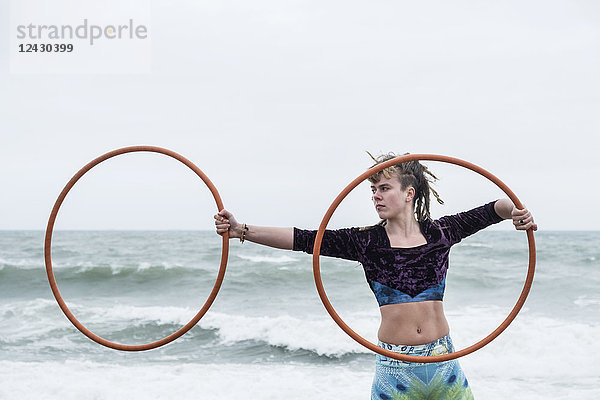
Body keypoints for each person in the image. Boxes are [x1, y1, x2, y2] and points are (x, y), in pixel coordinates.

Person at [214, 153, 537, 399]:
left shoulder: (443, 231)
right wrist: (240, 229)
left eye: (384, 188)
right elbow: (301, 239)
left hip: (444, 360)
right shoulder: (364, 241)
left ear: (409, 193)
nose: (376, 196)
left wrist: (517, 213)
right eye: (373, 189)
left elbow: (497, 207)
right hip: (395, 366)